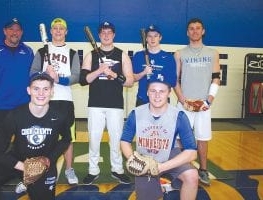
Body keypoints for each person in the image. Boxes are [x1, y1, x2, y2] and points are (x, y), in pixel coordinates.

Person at [0, 72, 74, 200]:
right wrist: (25, 167)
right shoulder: (15, 115)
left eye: (46, 89)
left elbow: (66, 139)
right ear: (29, 90)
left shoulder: (59, 116)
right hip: (18, 160)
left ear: (52, 92)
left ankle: (32, 182)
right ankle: (24, 178)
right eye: (36, 89)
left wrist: (49, 160)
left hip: (43, 163)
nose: (41, 93)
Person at [121, 72, 199, 200]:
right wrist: (133, 159)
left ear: (169, 93)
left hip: (169, 153)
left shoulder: (179, 115)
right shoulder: (136, 113)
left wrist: (160, 167)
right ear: (147, 93)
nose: (157, 95)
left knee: (192, 175)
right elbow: (124, 141)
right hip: (145, 158)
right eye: (153, 91)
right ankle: (158, 186)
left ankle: (164, 181)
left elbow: (191, 152)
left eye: (162, 91)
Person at [80, 21, 134, 184]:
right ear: (99, 35)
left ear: (114, 35)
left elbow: (130, 81)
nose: (106, 35)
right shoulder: (91, 55)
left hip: (115, 105)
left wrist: (114, 74)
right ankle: (93, 170)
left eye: (109, 32)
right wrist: (99, 70)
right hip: (95, 104)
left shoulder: (121, 54)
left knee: (116, 139)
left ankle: (117, 169)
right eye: (103, 32)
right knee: (94, 139)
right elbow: (84, 80)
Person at [30, 17, 80, 185]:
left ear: (66, 32)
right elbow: (32, 73)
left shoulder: (72, 53)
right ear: (50, 32)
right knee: (42, 136)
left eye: (61, 28)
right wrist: (45, 75)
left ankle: (69, 169)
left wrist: (58, 79)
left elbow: (77, 76)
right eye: (55, 28)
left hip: (65, 100)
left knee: (68, 138)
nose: (58, 31)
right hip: (44, 100)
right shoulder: (42, 52)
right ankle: (38, 169)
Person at [173, 18, 220, 186]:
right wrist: (183, 100)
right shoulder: (179, 53)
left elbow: (216, 79)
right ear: (187, 32)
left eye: (198, 28)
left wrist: (209, 101)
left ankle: (203, 170)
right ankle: (185, 167)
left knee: (202, 138)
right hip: (185, 104)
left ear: (203, 31)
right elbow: (175, 80)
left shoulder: (213, 53)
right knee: (180, 138)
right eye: (191, 29)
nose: (194, 31)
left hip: (204, 105)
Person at [0, 18, 34, 155]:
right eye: (11, 29)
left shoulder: (28, 52)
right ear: (5, 31)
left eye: (17, 29)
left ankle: (22, 171)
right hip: (1, 106)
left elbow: (33, 76)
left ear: (21, 32)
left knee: (23, 143)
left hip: (23, 106)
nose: (14, 32)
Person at [133, 25, 177, 106]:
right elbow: (132, 79)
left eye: (155, 36)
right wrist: (143, 73)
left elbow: (173, 82)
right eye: (149, 36)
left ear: (160, 38)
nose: (152, 39)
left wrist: (159, 78)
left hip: (162, 101)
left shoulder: (169, 58)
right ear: (146, 38)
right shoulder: (138, 56)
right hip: (143, 100)